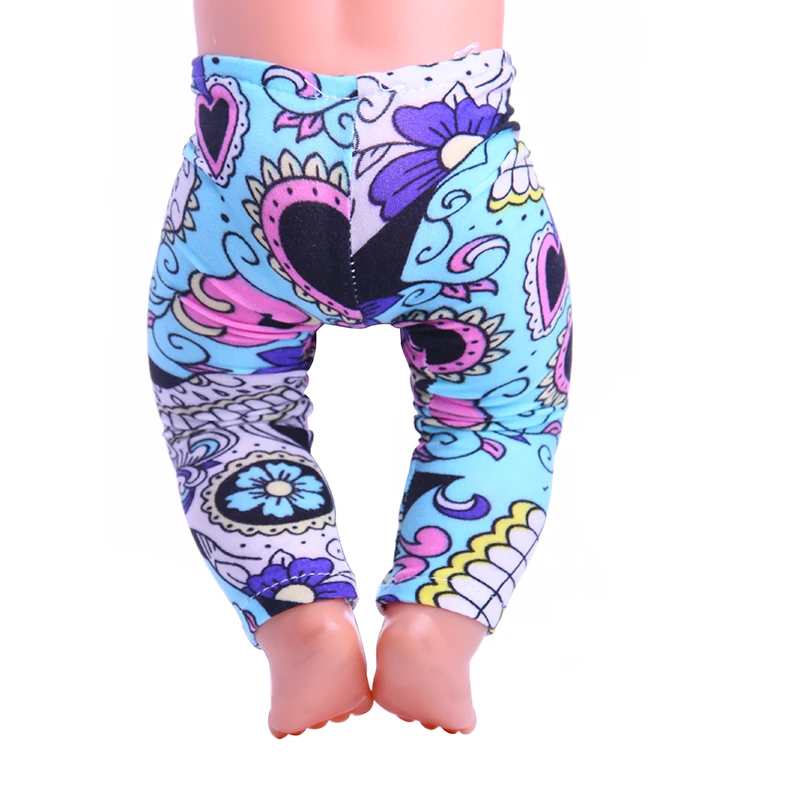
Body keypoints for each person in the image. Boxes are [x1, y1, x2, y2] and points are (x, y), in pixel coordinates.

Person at [147, 0, 573, 737]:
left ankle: (301, 619)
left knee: (222, 407)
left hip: (251, 155)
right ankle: (438, 622)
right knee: (504, 416)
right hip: (458, 160)